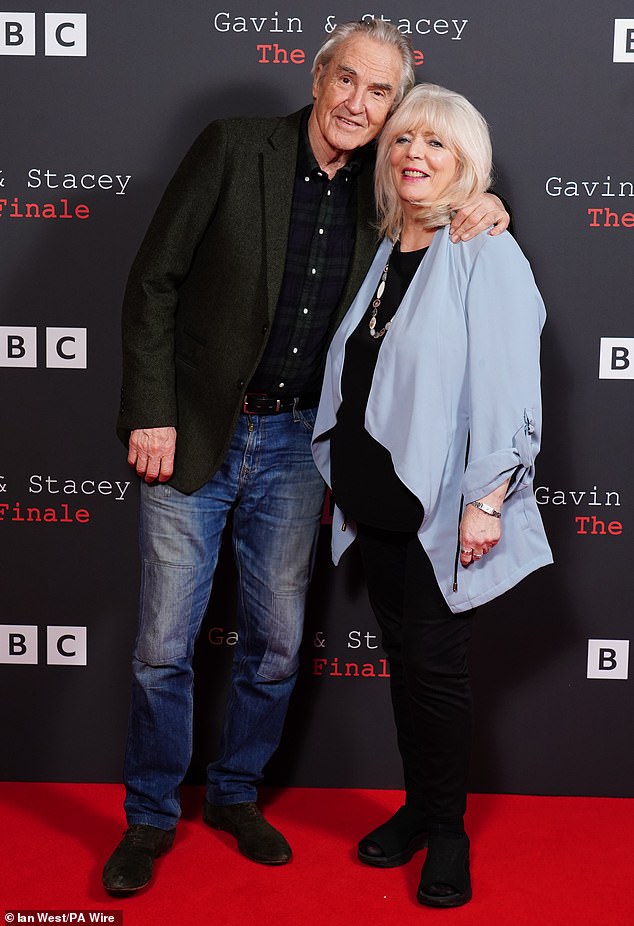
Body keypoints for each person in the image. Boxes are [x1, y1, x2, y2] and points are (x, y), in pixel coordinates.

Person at [103, 21, 510, 896]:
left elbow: (451, 210)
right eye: (347, 81)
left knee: (278, 643)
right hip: (197, 431)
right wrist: (152, 409)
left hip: (297, 447)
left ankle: (239, 795)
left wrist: (489, 204)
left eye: (380, 94)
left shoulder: (390, 180)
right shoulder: (235, 147)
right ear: (318, 75)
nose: (360, 105)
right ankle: (149, 815)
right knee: (162, 644)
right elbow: (155, 279)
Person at [311, 83, 552, 907]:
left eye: (436, 145)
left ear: (465, 164)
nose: (415, 153)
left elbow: (510, 387)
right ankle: (419, 809)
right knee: (408, 668)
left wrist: (488, 499)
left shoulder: (484, 248)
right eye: (404, 139)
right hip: (376, 507)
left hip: (446, 511)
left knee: (438, 675)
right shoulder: (387, 249)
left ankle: (448, 834)